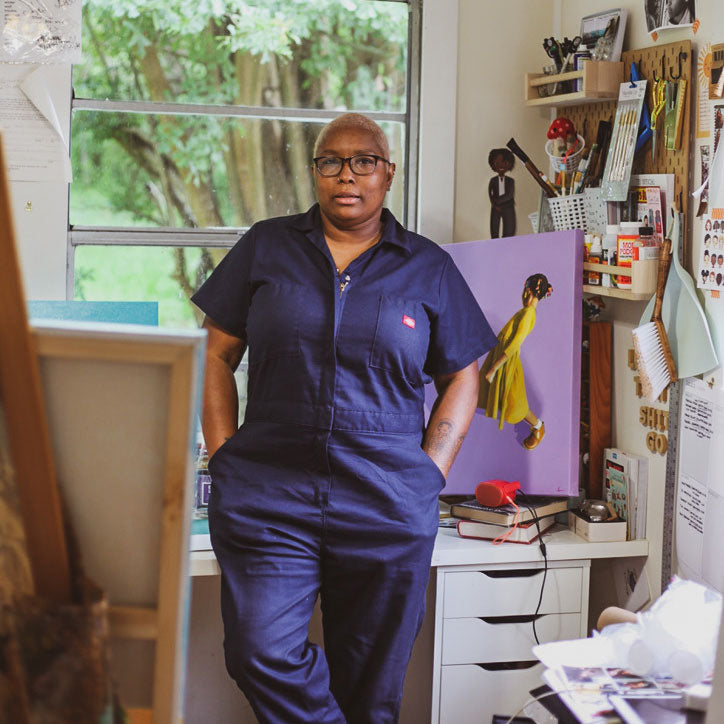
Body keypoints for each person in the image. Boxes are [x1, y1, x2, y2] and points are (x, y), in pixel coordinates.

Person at [191, 112, 497, 724]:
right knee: (259, 651)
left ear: (388, 174)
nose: (346, 175)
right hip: (269, 495)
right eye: (331, 161)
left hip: (386, 499)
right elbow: (215, 354)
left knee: (370, 687)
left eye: (363, 161)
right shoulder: (266, 246)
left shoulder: (427, 266)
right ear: (316, 172)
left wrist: (431, 471)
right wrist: (223, 455)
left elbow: (463, 375)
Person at [477, 273, 553, 451]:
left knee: (516, 404)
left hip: (507, 363)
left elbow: (515, 343)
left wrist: (494, 368)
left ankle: (538, 427)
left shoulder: (529, 314)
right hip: (501, 358)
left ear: (528, 291)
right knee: (486, 391)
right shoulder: (525, 312)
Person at [487, 148, 516, 238]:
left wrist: (498, 201)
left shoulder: (510, 181)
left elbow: (509, 195)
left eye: (505, 163)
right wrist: (494, 204)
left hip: (508, 207)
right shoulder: (493, 180)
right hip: (495, 208)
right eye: (497, 163)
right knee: (494, 231)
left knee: (509, 230)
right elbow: (490, 193)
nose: (501, 166)